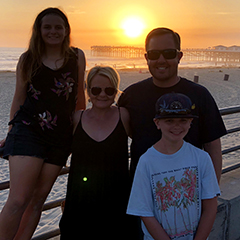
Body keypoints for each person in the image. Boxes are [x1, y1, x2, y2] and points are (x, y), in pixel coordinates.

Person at [0, 7, 86, 240]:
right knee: (18, 199)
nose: (53, 31)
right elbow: (18, 97)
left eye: (58, 27)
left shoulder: (76, 56)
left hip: (61, 137)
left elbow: (79, 97)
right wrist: (10, 130)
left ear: (66, 30)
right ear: (39, 30)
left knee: (38, 200)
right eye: (47, 26)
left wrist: (80, 133)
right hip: (28, 131)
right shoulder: (28, 59)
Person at [118, 27, 227, 183]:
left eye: (168, 53)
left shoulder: (200, 95)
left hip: (188, 191)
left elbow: (212, 146)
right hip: (141, 191)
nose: (161, 60)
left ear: (179, 56)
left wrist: (212, 190)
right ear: (146, 57)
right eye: (154, 54)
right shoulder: (130, 96)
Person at [127, 93, 220, 240]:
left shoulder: (202, 158)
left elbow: (210, 206)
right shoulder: (146, 161)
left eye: (183, 120)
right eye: (169, 120)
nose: (176, 126)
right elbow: (144, 212)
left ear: (190, 122)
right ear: (157, 123)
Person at [59, 66, 132, 239]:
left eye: (109, 90)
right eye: (96, 89)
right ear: (88, 90)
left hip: (117, 201)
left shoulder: (124, 116)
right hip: (79, 200)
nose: (102, 95)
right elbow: (55, 145)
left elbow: (144, 142)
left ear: (115, 91)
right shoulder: (77, 118)